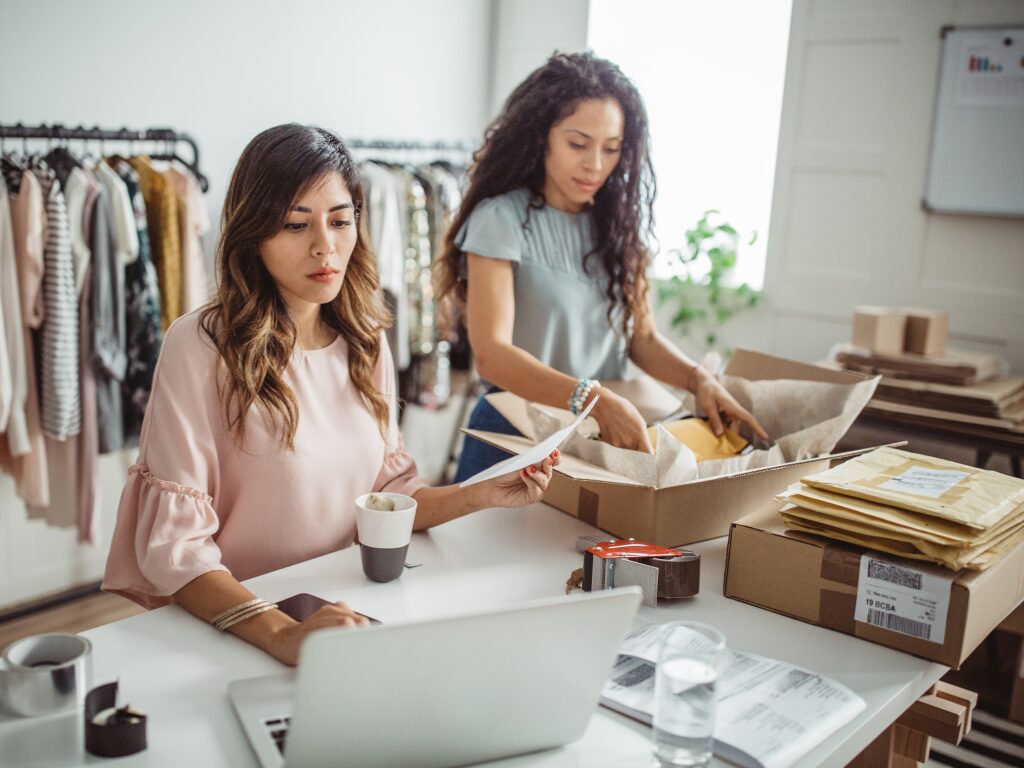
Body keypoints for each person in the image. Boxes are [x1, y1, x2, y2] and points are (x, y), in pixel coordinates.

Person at [103, 124, 557, 666]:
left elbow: (390, 492)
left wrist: (482, 491)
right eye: (296, 224)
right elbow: (177, 551)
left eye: (341, 221)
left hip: (343, 611)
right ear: (253, 233)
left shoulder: (365, 341)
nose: (325, 245)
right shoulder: (201, 346)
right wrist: (279, 635)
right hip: (237, 628)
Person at [435, 51, 769, 483]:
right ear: (541, 137)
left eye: (611, 149)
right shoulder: (499, 220)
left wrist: (699, 379)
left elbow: (642, 338)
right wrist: (592, 398)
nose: (595, 164)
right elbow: (492, 355)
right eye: (578, 144)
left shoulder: (620, 230)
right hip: (514, 431)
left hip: (597, 438)